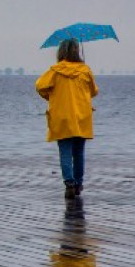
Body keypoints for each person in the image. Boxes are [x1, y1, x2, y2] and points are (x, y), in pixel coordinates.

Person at [35, 38, 99, 198]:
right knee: (79, 152)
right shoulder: (85, 70)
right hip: (82, 116)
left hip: (62, 116)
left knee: (65, 152)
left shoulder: (55, 71)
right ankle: (78, 183)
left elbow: (40, 86)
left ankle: (69, 184)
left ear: (61, 51)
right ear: (77, 50)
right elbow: (94, 91)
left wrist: (51, 97)